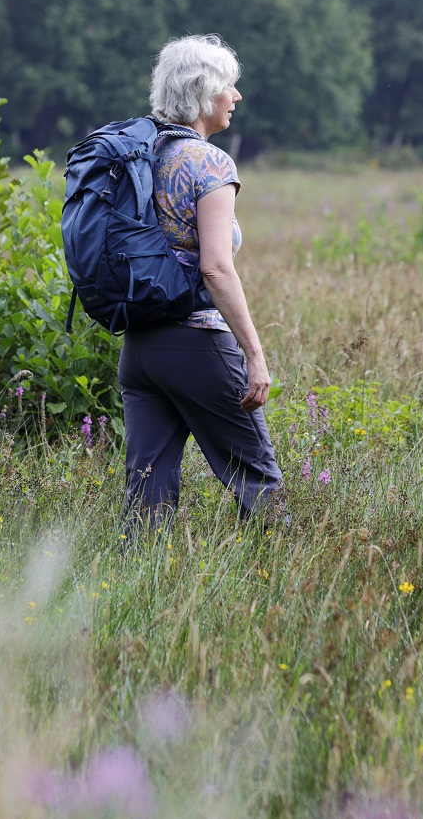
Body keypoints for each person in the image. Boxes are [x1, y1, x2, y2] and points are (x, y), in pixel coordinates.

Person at [119, 34, 283, 529]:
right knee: (259, 481)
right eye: (229, 87)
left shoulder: (140, 154)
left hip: (140, 349)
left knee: (147, 494)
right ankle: (290, 584)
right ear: (204, 92)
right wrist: (254, 354)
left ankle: (132, 597)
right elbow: (215, 267)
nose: (236, 97)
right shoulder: (209, 162)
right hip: (197, 342)